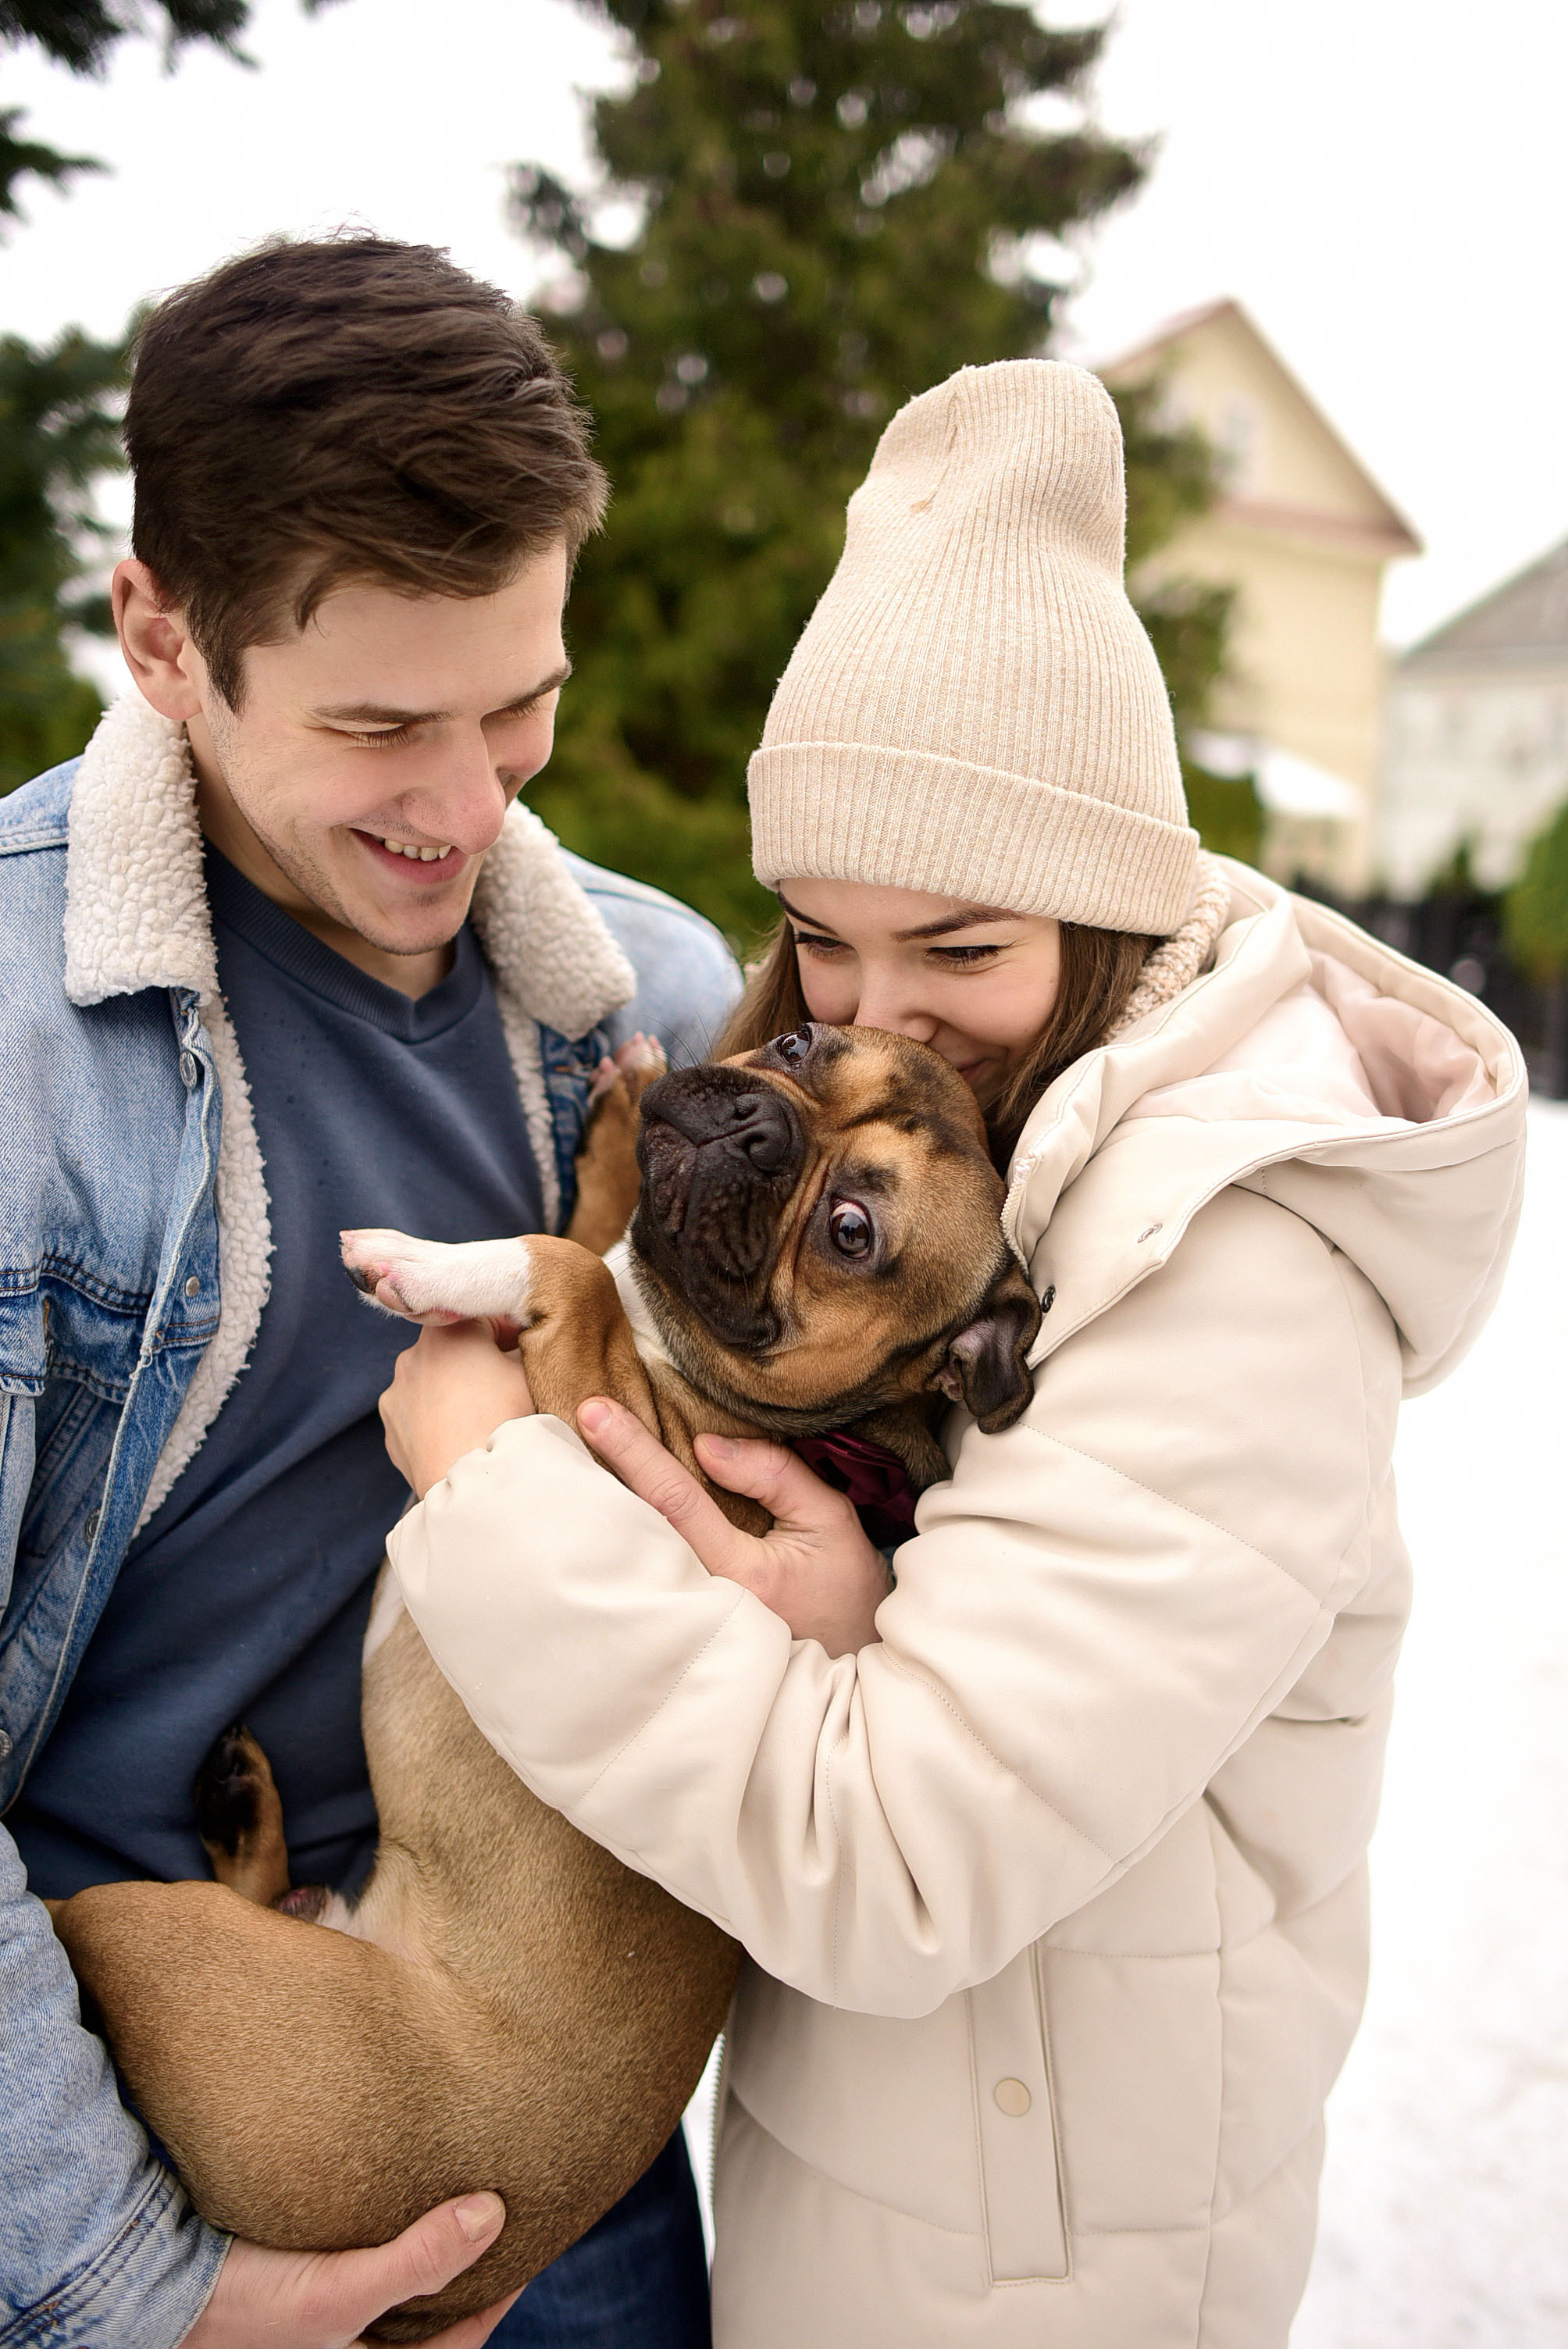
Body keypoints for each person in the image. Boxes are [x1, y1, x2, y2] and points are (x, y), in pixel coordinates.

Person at [377, 360, 1527, 2348]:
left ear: (1099, 907)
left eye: (962, 946)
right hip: (909, 2185)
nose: (877, 1009)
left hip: (1042, 2272)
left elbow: (895, 1859)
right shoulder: (1001, 1152)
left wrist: (485, 1484)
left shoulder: (1229, 1264)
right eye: (821, 943)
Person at [0, 237, 738, 2349]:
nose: (467, 804)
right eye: (381, 726)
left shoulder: (651, 1017)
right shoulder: (20, 1057)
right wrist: (143, 2291)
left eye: (523, 709)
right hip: (119, 2130)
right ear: (162, 635)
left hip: (564, 2132)